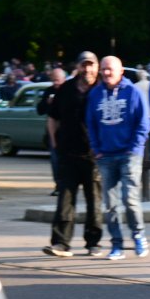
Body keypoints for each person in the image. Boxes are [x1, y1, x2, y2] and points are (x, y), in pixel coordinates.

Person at [86, 55, 150, 260]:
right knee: (109, 204)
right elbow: (91, 123)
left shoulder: (133, 92)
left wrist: (134, 148)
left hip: (128, 154)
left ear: (121, 71)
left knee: (129, 199)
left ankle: (138, 235)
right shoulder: (95, 94)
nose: (106, 73)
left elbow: (143, 123)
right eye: (103, 69)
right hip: (105, 156)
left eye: (110, 69)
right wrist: (96, 148)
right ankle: (116, 244)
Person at [43, 52, 104, 258]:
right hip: (67, 153)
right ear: (78, 67)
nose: (87, 69)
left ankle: (93, 243)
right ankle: (61, 243)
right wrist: (54, 143)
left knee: (94, 201)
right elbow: (52, 117)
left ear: (97, 67)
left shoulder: (102, 89)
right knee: (65, 200)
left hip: (93, 156)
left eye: (91, 65)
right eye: (83, 65)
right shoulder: (66, 89)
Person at [36, 65, 66, 195]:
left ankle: (67, 185)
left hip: (67, 131)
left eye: (57, 80)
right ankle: (58, 186)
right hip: (53, 132)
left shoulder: (68, 90)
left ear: (63, 79)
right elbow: (39, 110)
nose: (55, 83)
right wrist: (47, 102)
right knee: (55, 160)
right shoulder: (49, 91)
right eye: (53, 80)